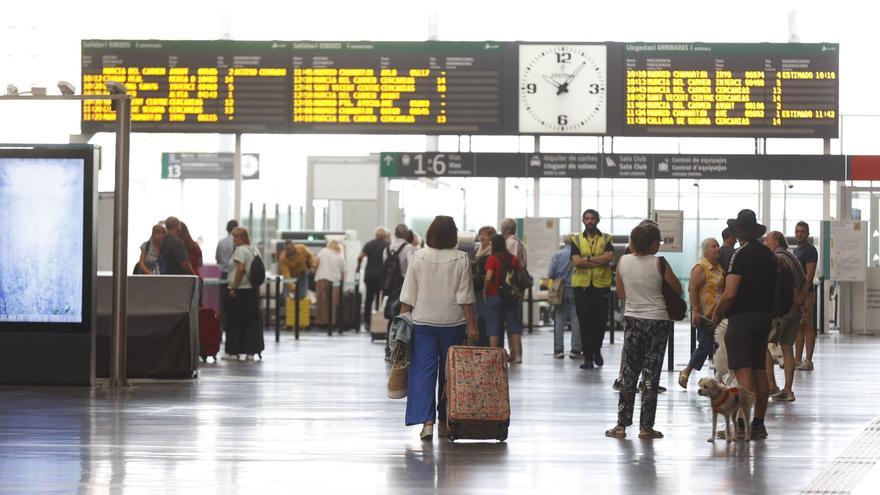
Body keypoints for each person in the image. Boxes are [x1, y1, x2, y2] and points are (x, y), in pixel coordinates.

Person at [400, 215, 478, 440]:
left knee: (423, 373)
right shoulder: (461, 259)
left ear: (430, 233)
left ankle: (427, 423)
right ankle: (447, 417)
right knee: (451, 372)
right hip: (453, 322)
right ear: (453, 235)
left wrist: (401, 324)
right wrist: (472, 325)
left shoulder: (418, 256)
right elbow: (466, 297)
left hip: (422, 322)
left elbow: (408, 294)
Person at [605, 223, 681, 439]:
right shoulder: (660, 263)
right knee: (650, 375)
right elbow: (677, 288)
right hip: (658, 321)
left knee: (629, 373)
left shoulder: (623, 261)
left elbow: (620, 293)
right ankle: (646, 428)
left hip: (633, 320)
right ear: (654, 244)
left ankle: (621, 426)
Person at [711, 209, 776, 440]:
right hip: (764, 317)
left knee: (742, 371)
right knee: (759, 370)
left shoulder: (740, 255)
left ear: (739, 232)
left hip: (742, 319)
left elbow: (729, 293)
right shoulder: (768, 255)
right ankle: (758, 424)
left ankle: (741, 427)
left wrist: (717, 312)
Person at [764, 231, 806, 402]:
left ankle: (771, 387)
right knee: (788, 348)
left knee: (765, 346)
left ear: (775, 241)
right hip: (794, 310)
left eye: (767, 239)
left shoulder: (776, 258)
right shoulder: (793, 257)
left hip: (780, 311)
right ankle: (788, 390)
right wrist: (799, 301)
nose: (765, 241)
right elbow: (805, 280)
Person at [570, 209, 614, 370]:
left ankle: (597, 350)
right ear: (583, 220)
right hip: (581, 286)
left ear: (597, 220)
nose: (589, 221)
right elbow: (576, 262)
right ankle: (588, 357)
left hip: (601, 285)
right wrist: (597, 260)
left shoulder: (607, 238)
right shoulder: (576, 239)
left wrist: (586, 259)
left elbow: (609, 258)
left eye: (592, 218)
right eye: (587, 218)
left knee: (600, 321)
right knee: (585, 322)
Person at [678, 237, 724, 388]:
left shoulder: (719, 268)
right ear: (705, 251)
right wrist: (695, 311)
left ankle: (719, 377)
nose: (717, 249)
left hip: (718, 315)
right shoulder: (700, 268)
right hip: (705, 315)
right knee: (705, 346)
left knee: (719, 347)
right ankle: (686, 371)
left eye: (718, 246)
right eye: (713, 247)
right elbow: (693, 290)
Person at [225, 226, 264, 361]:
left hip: (241, 291)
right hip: (252, 291)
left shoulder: (240, 250)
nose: (234, 240)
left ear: (242, 238)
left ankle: (234, 351)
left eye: (236, 237)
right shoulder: (254, 250)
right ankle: (251, 352)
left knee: (236, 321)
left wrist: (233, 287)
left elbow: (240, 269)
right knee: (251, 321)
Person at [483, 234, 524, 363]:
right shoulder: (513, 259)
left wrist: (485, 290)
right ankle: (518, 355)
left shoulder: (492, 259)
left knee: (494, 326)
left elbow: (489, 277)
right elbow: (519, 276)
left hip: (494, 295)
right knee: (513, 325)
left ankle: (493, 357)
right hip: (511, 296)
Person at [548, 235, 582, 359]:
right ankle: (576, 349)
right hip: (576, 288)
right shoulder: (579, 256)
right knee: (576, 319)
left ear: (564, 242)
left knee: (559, 319)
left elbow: (550, 273)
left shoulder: (557, 255)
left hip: (560, 290)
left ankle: (558, 350)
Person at [383, 224, 415, 359]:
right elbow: (412, 266)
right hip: (403, 285)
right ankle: (400, 350)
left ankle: (389, 349)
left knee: (392, 317)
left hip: (390, 287)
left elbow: (384, 265)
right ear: (407, 234)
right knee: (404, 316)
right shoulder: (408, 247)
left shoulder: (387, 247)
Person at [793, 221, 818, 371]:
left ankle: (808, 360)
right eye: (797, 231)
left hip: (806, 294)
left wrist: (802, 294)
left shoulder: (810, 250)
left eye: (802, 231)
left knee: (808, 325)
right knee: (798, 326)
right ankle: (797, 360)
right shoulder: (796, 251)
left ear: (807, 234)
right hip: (798, 294)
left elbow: (809, 275)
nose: (799, 234)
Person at [359, 227, 389, 329]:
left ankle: (367, 323)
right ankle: (379, 322)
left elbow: (360, 256)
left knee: (369, 299)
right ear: (385, 236)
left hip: (370, 275)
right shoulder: (387, 245)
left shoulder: (369, 244)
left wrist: (358, 267)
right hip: (382, 276)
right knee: (381, 299)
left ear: (375, 235)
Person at [472, 226, 496, 345]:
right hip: (476, 286)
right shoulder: (478, 250)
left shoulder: (492, 251)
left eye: (485, 235)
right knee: (478, 313)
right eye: (480, 234)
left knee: (483, 314)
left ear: (491, 237)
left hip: (485, 288)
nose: (482, 237)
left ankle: (484, 341)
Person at [314, 240, 345, 326]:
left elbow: (315, 263)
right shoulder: (340, 256)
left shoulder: (323, 251)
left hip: (322, 278)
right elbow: (343, 272)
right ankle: (332, 322)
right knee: (333, 302)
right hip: (335, 281)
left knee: (321, 301)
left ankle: (321, 322)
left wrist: (313, 270)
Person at [279, 240, 315, 311]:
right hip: (291, 276)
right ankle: (287, 315)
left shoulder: (302, 248)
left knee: (302, 295)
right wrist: (293, 288)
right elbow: (286, 275)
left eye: (290, 249)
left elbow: (310, 256)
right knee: (286, 295)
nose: (289, 251)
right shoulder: (282, 258)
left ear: (293, 246)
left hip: (302, 273)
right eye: (287, 249)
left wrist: (312, 265)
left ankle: (300, 313)